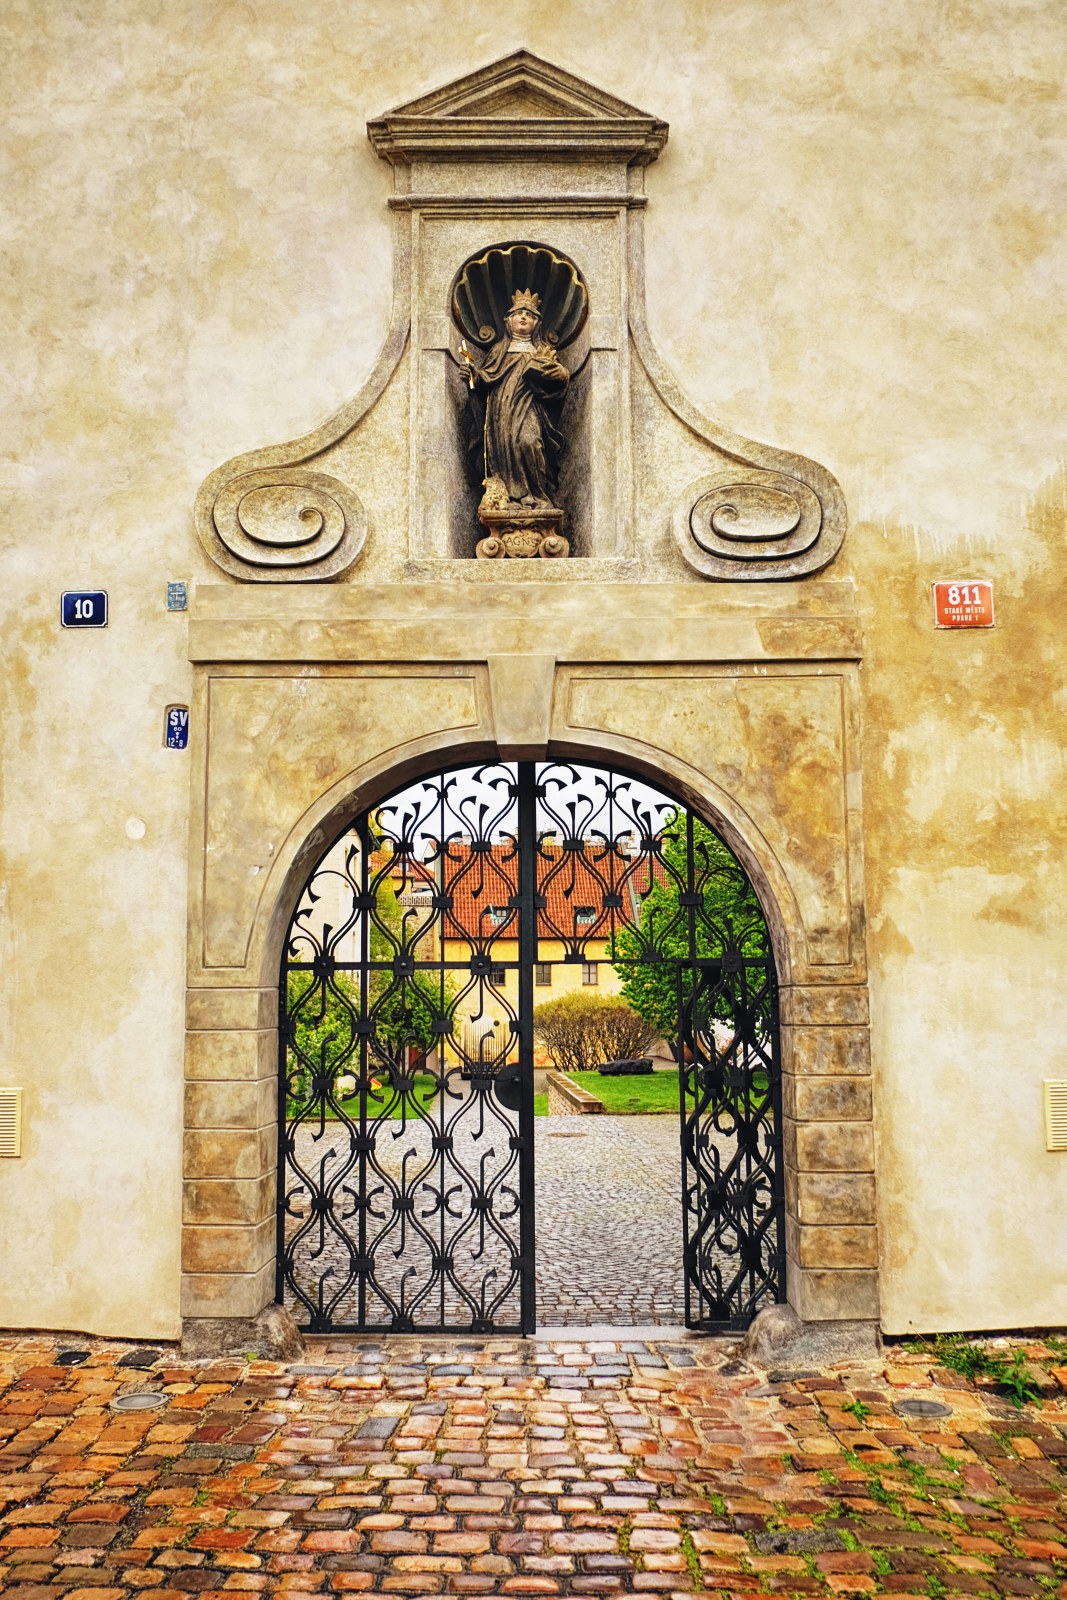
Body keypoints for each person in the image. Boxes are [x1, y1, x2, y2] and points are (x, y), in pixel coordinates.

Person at [461, 289, 570, 511]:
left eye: (529, 315)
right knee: (505, 448)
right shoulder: (499, 350)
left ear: (536, 323)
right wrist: (474, 376)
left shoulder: (542, 351)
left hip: (530, 407)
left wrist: (550, 371)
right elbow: (486, 378)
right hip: (502, 411)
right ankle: (510, 498)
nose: (523, 318)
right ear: (508, 321)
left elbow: (561, 379)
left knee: (529, 442)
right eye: (519, 313)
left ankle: (538, 495)